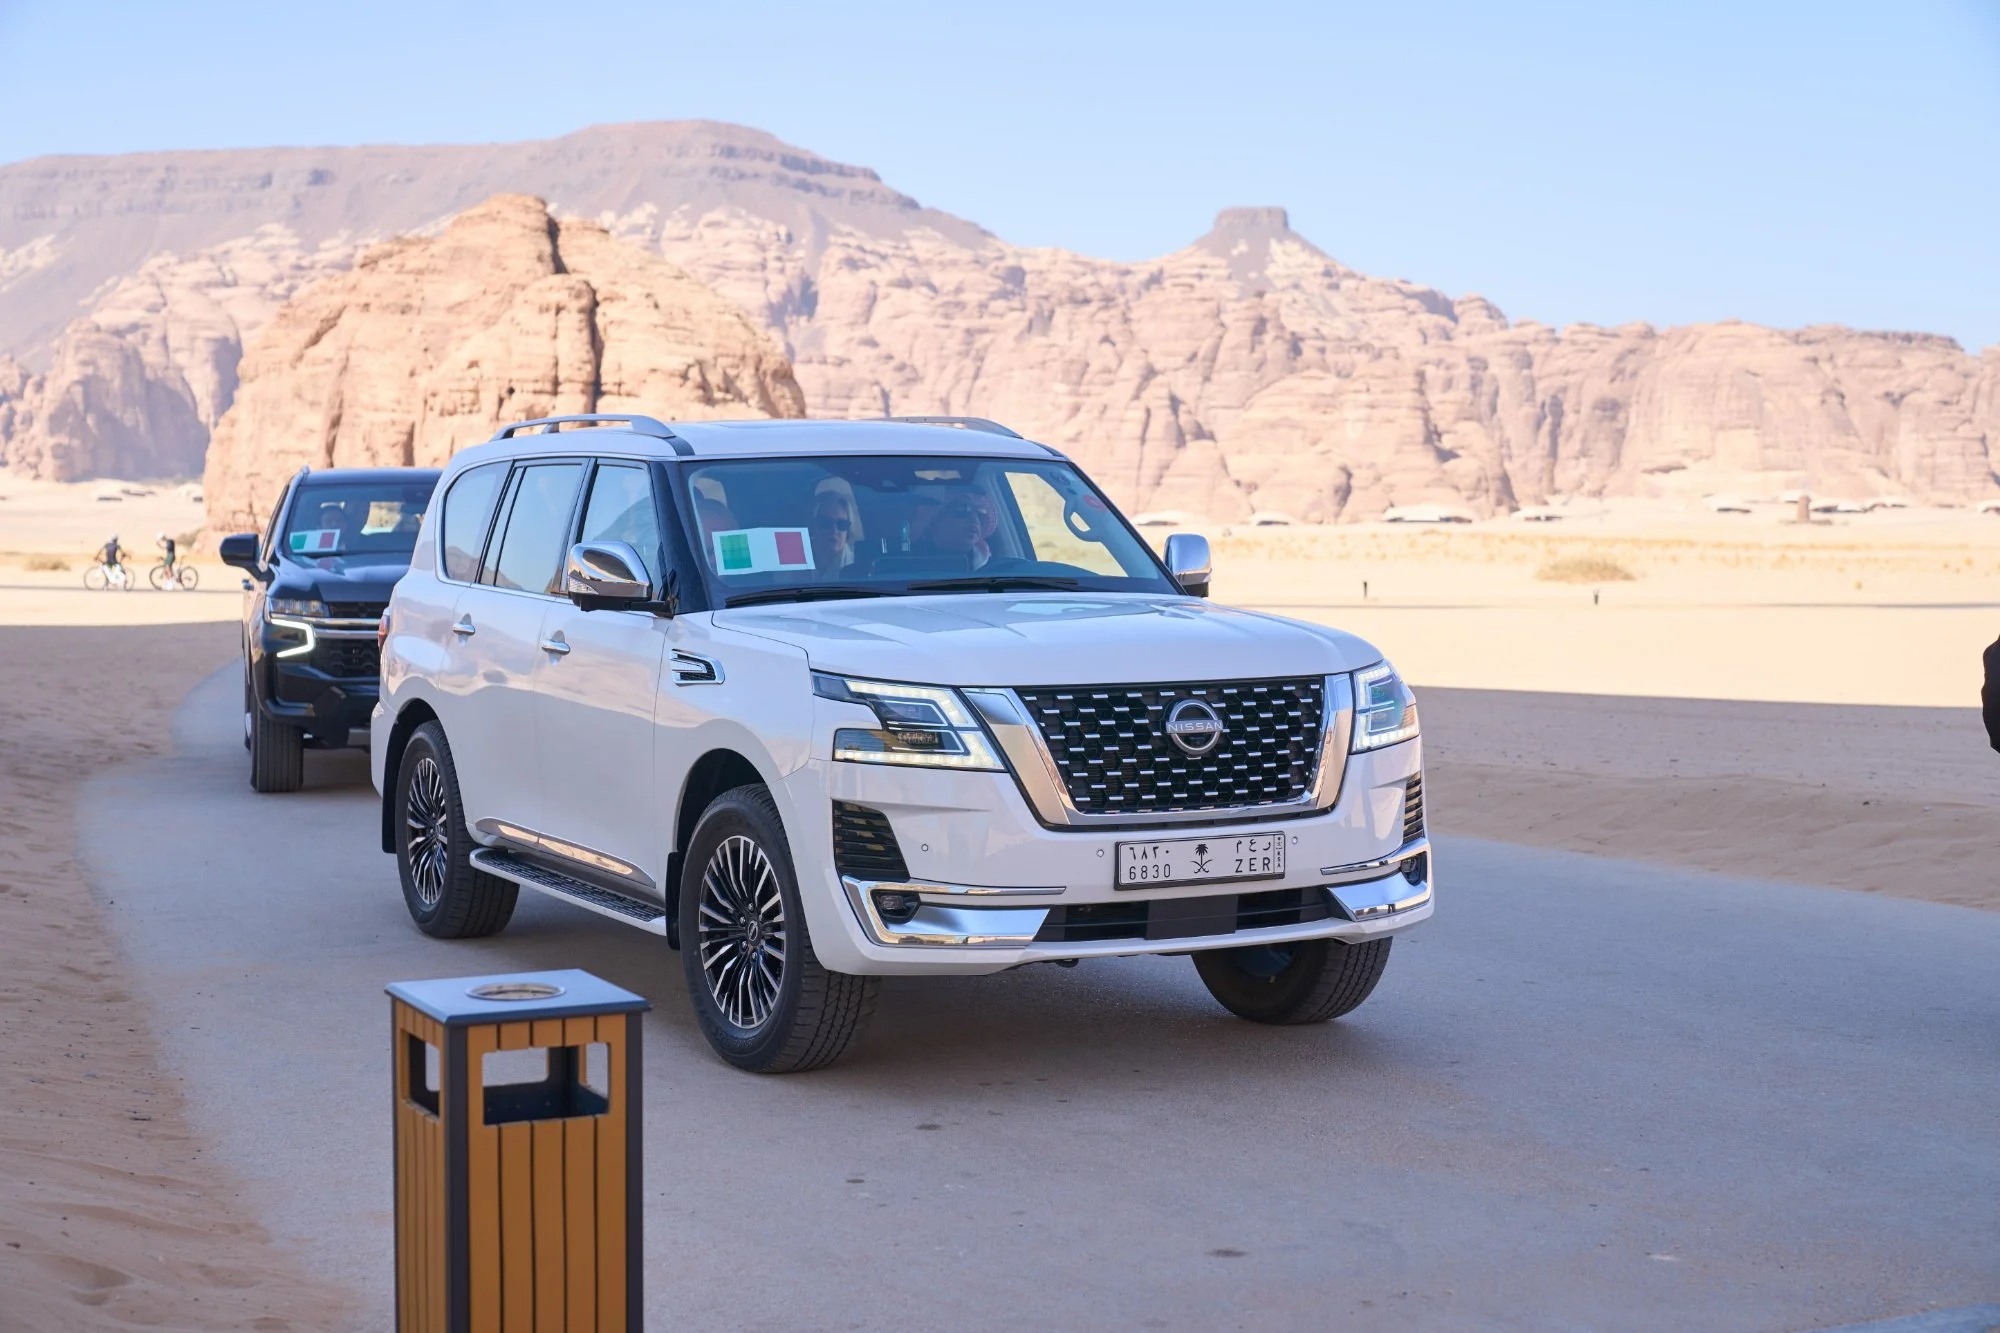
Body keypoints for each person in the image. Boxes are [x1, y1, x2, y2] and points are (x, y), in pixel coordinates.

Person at [911, 491, 997, 570]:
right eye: (964, 509)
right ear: (933, 518)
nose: (975, 520)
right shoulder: (910, 562)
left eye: (979, 514)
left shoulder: (991, 569)